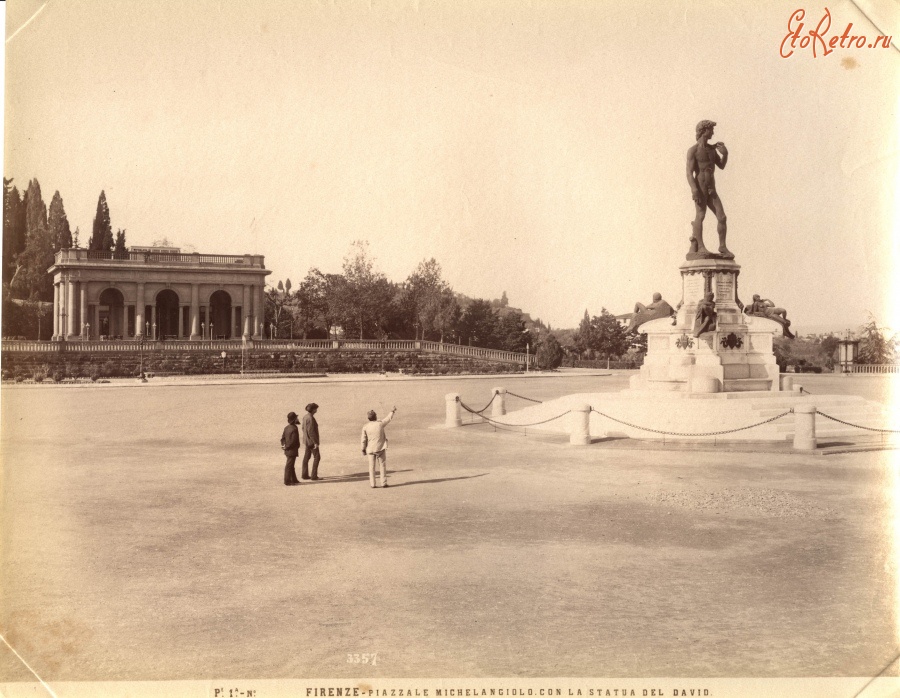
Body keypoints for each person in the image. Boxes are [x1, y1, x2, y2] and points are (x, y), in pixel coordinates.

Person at [686, 120, 732, 259]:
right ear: (704, 131)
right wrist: (694, 190)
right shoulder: (693, 150)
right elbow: (689, 173)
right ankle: (699, 245)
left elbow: (721, 166)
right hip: (700, 187)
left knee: (722, 217)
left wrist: (725, 154)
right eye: (711, 129)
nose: (712, 132)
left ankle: (722, 246)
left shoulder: (712, 150)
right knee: (700, 215)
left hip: (712, 188)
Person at [361, 406, 397, 489]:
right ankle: (383, 483)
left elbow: (363, 440)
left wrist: (363, 449)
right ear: (375, 417)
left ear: (368, 418)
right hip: (380, 448)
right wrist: (392, 411)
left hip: (370, 449)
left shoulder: (365, 426)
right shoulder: (380, 424)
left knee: (371, 467)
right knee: (382, 465)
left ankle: (372, 484)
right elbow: (388, 419)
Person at [300, 403, 321, 480]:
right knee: (317, 457)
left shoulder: (305, 417)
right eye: (315, 409)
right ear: (313, 410)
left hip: (306, 441)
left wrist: (307, 438)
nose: (316, 410)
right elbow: (311, 432)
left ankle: (304, 475)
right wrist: (315, 442)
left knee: (306, 457)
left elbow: (303, 428)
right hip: (311, 442)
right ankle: (314, 476)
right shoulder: (311, 418)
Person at [280, 411, 301, 486]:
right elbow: (293, 441)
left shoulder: (286, 428)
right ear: (294, 419)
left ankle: (294, 479)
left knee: (291, 465)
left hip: (287, 450)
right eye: (296, 418)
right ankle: (287, 481)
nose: (298, 419)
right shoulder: (294, 428)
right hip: (292, 450)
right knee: (289, 465)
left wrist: (283, 445)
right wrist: (287, 446)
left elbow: (282, 438)